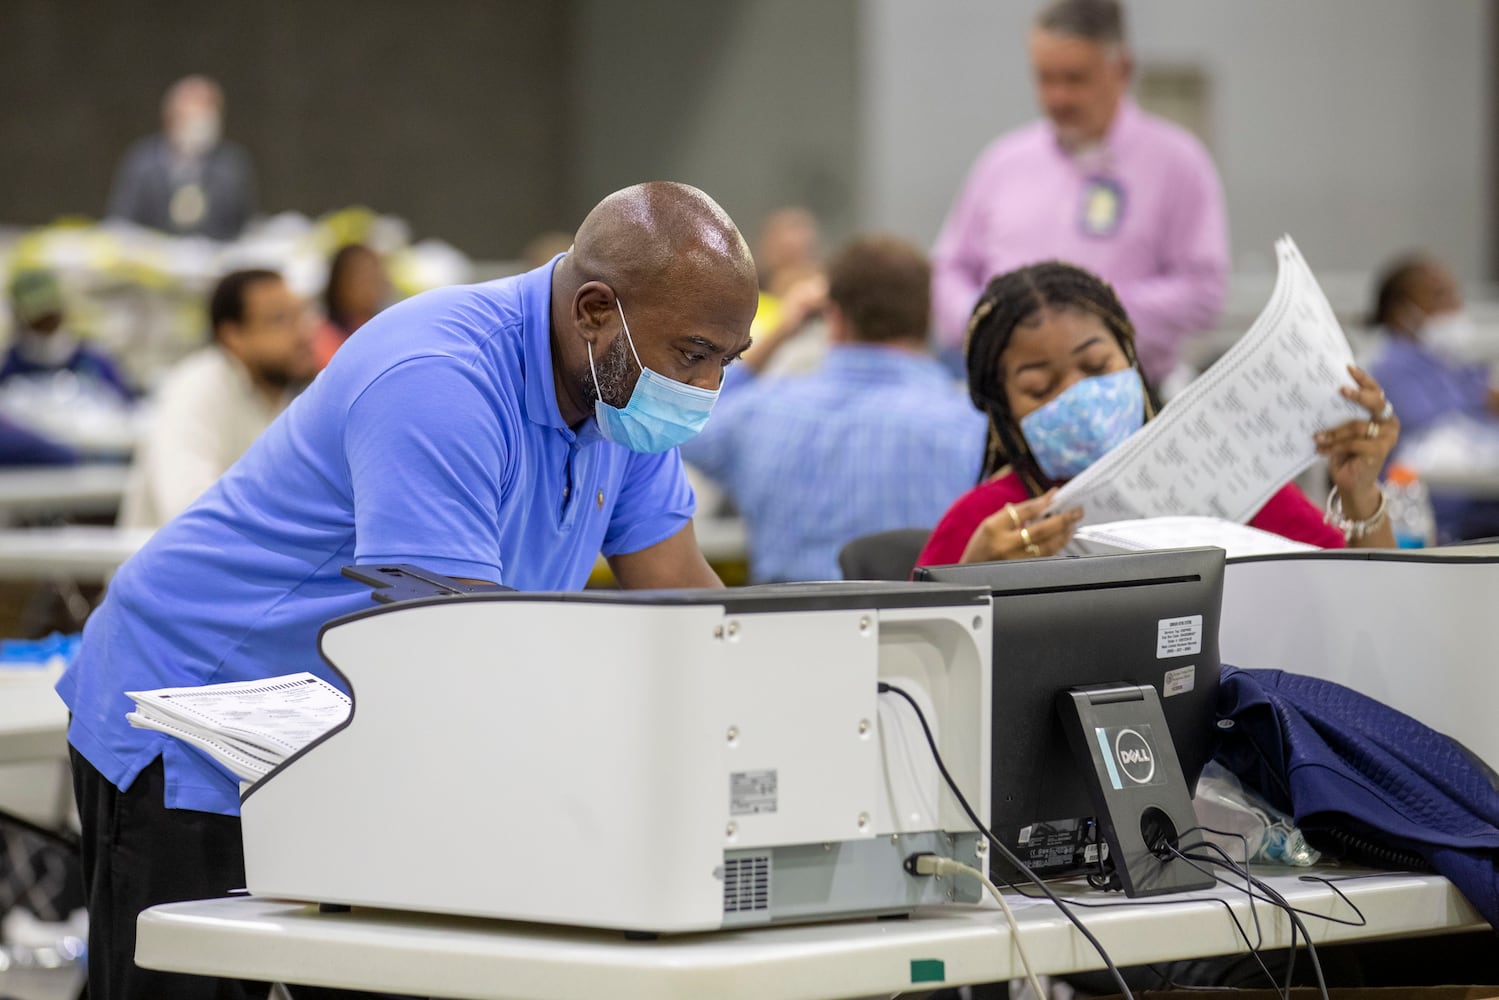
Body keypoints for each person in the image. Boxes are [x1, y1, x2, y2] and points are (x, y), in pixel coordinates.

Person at [59, 182, 755, 1000]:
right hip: (201, 711)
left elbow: (681, 598)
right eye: (694, 355)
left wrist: (764, 720)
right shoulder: (440, 379)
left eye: (725, 361)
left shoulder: (620, 394)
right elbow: (455, 651)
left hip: (357, 740)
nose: (705, 388)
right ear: (596, 311)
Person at [916, 261, 1398, 566]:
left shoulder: (1224, 476)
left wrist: (1359, 495)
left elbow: (1362, 604)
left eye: (1097, 366)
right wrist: (970, 576)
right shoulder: (987, 522)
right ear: (1003, 412)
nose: (1079, 396)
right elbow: (916, 668)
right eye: (1039, 388)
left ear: (1132, 359)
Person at [930, 0, 1228, 387]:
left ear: (1122, 70)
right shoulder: (1002, 162)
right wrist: (992, 323)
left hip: (1124, 398)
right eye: (1044, 79)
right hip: (1009, 399)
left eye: (1074, 79)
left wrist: (1086, 323)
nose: (1057, 97)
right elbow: (948, 269)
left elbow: (1202, 290)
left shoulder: (1177, 163)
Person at [682, 235, 986, 582]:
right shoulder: (973, 426)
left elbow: (686, 423)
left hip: (781, 629)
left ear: (833, 316)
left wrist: (781, 330)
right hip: (923, 630)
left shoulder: (758, 413)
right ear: (928, 316)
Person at [118, 269, 317, 531]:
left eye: (302, 315)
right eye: (279, 320)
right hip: (180, 567)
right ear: (233, 336)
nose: (302, 334)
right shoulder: (195, 388)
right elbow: (189, 510)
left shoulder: (288, 396)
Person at [1367, 254, 1499, 541]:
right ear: (1402, 312)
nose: (1454, 307)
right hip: (1438, 517)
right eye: (1440, 296)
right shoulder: (1390, 368)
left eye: (1454, 295)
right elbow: (1438, 434)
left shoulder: (1448, 359)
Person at [105, 75, 257, 240]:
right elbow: (121, 221)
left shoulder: (232, 163)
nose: (201, 127)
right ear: (171, 119)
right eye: (193, 118)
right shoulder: (143, 160)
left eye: (208, 118)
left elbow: (245, 224)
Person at [0, 269, 134, 402]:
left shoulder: (92, 361)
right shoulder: (11, 367)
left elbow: (125, 406)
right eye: (36, 322)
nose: (45, 327)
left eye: (50, 318)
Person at [312, 244, 390, 369]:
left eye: (375, 276)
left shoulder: (388, 330)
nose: (371, 287)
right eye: (362, 278)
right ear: (339, 282)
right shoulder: (325, 337)